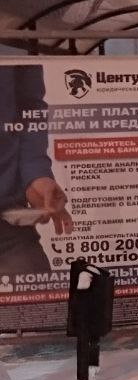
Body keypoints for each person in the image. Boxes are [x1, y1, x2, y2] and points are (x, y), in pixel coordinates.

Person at [0, 65, 73, 276]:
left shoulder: (16, 35)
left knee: (42, 305)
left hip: (7, 223)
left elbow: (28, 108)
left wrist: (35, 174)